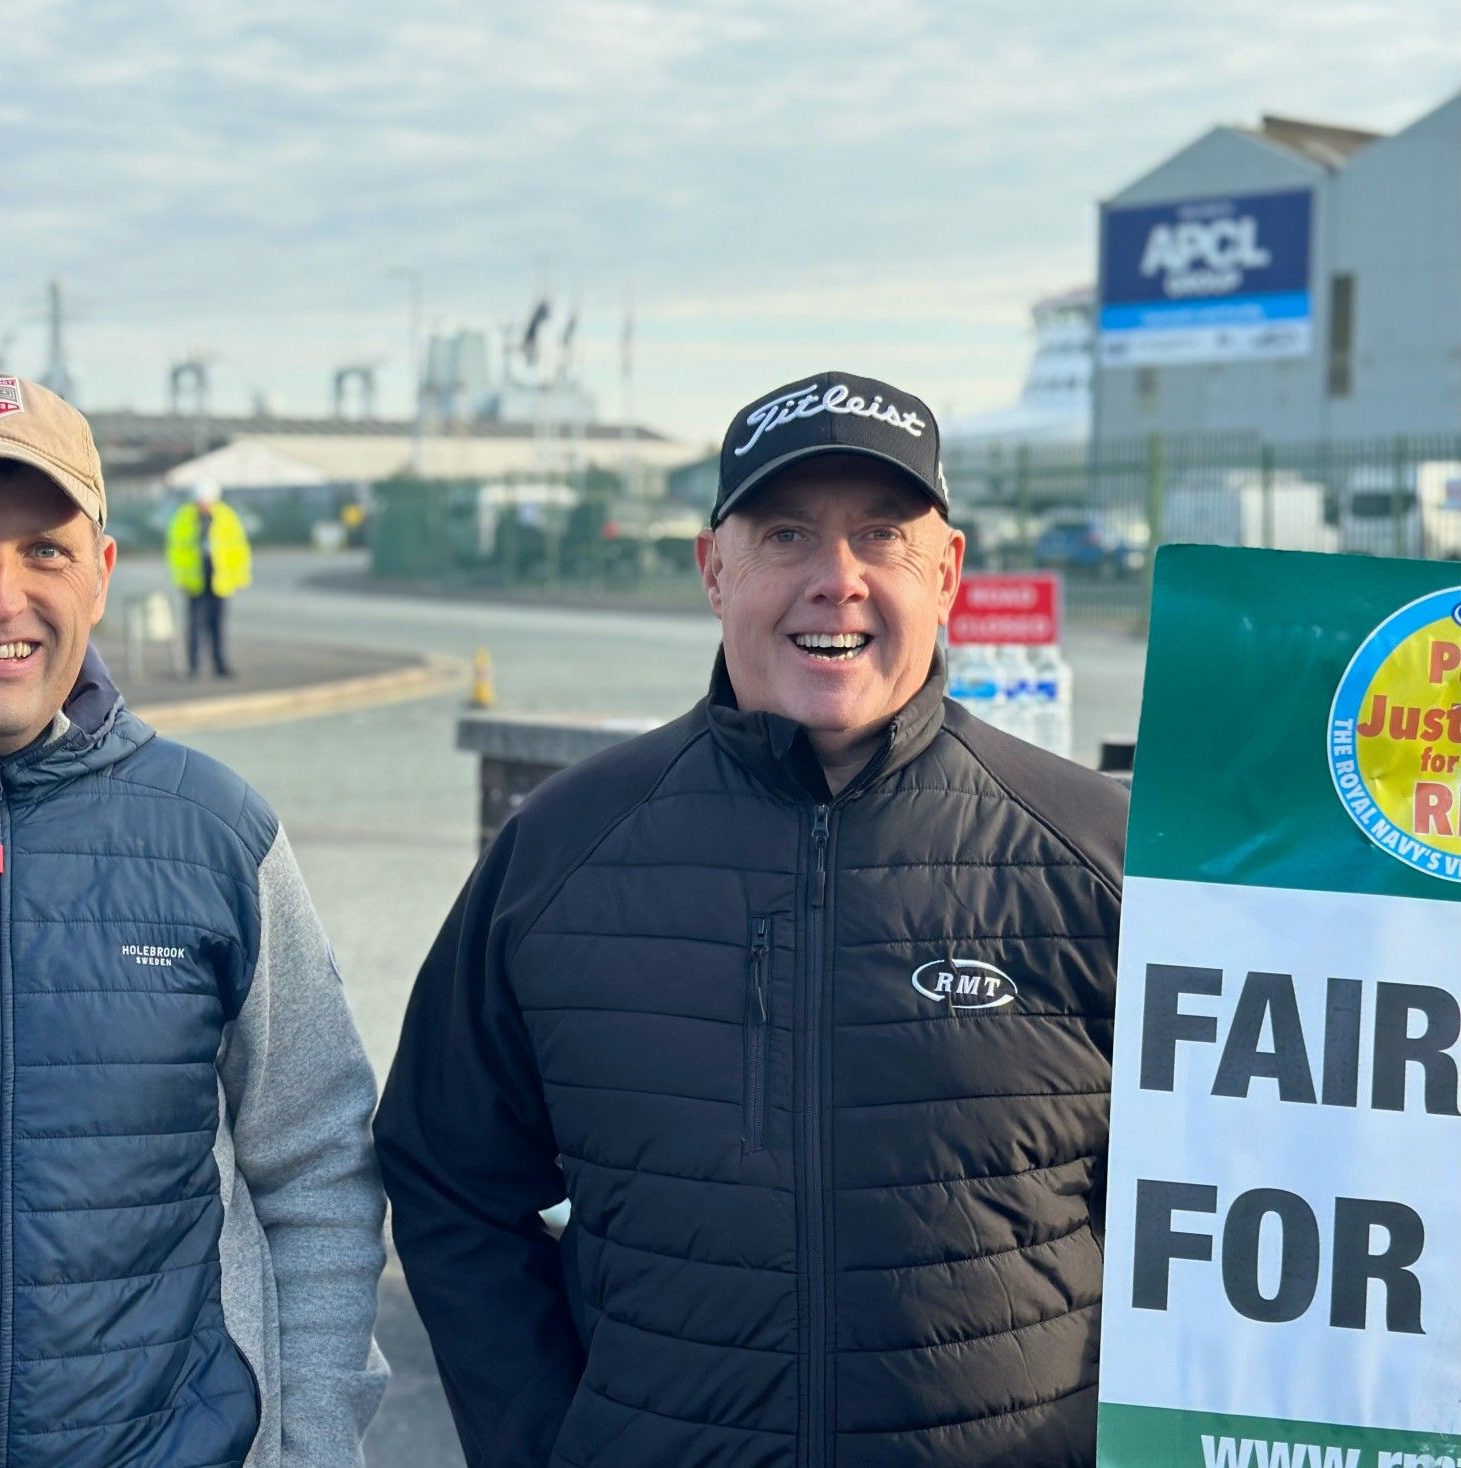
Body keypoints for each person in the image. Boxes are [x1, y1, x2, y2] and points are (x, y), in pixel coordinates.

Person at [376, 370, 1126, 1467]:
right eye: (784, 535)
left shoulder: (1094, 855)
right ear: (712, 570)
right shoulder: (561, 851)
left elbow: (1214, 1210)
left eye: (881, 536)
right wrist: (548, 1442)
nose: (838, 581)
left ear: (949, 573)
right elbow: (448, 1173)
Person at [0, 370, 387, 1467]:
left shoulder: (215, 829)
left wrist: (308, 1439)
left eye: (44, 550)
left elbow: (313, 1163)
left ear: (103, 574)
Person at [167, 478, 253, 678]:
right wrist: (180, 579)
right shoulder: (184, 518)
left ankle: (220, 664)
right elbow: (175, 552)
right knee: (195, 624)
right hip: (195, 580)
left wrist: (240, 578)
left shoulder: (227, 517)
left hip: (219, 579)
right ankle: (194, 666)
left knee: (218, 624)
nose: (203, 505)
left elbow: (239, 549)